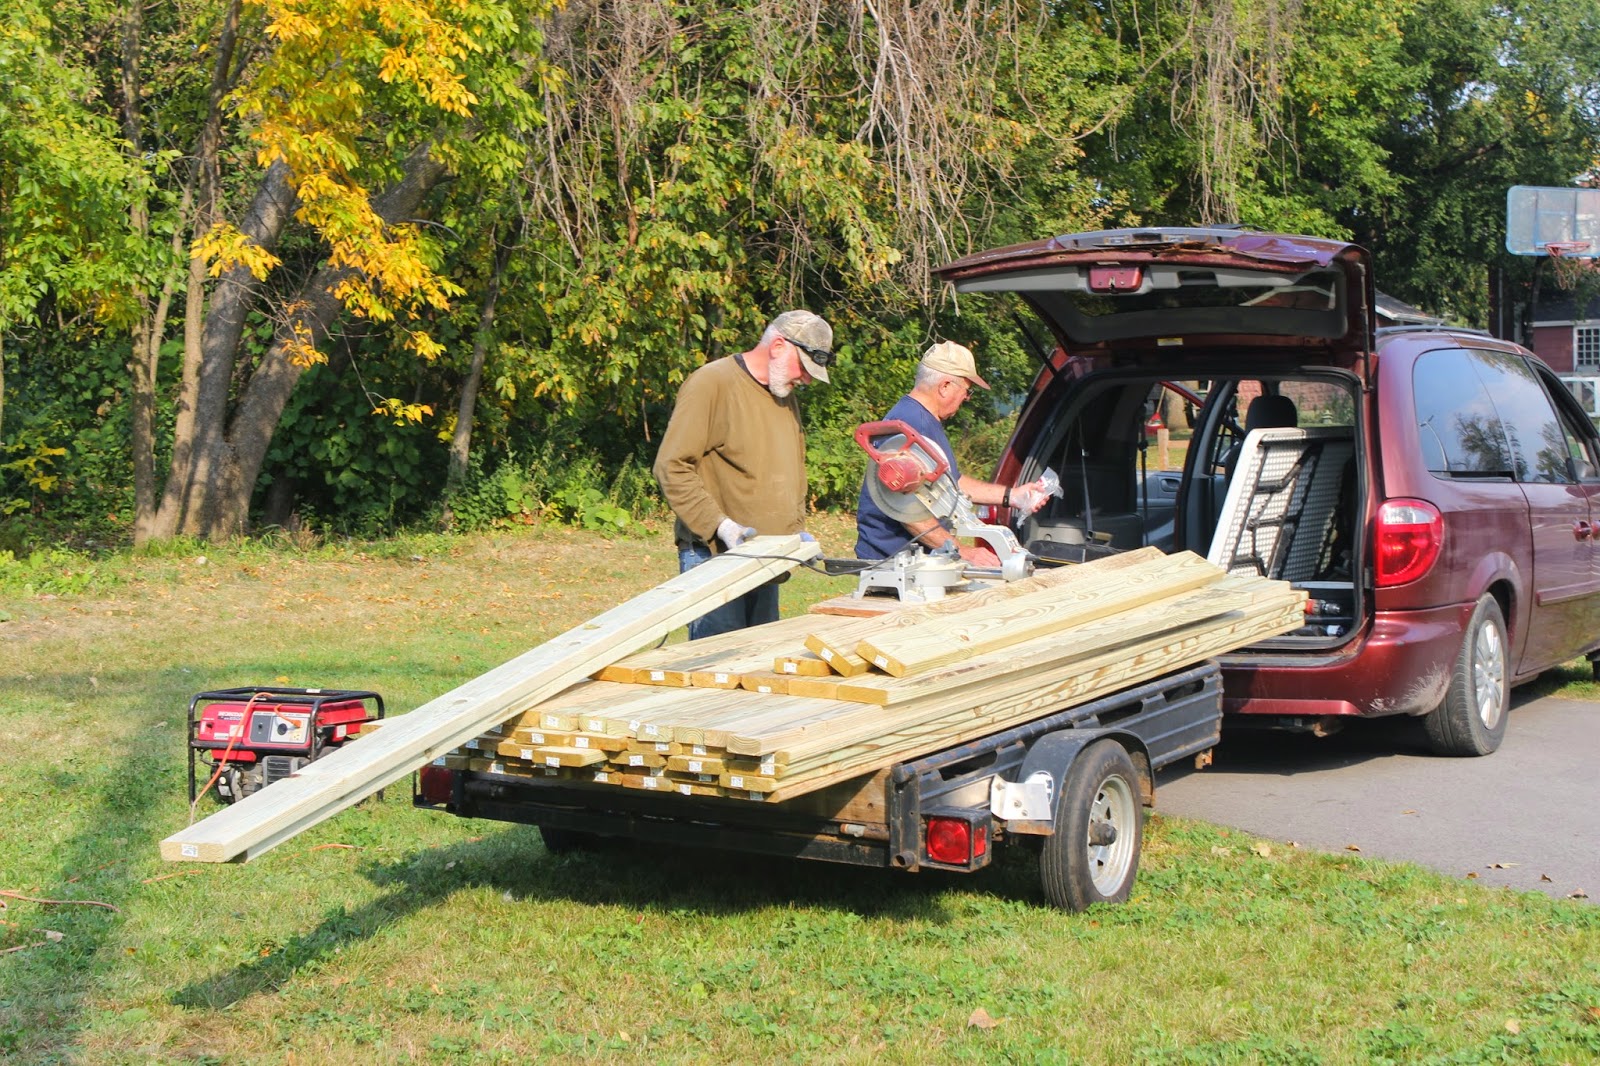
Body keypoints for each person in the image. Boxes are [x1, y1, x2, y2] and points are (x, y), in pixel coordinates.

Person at [654, 310, 834, 639]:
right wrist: (721, 526)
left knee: (758, 670)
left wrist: (796, 534)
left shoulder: (783, 395)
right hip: (715, 560)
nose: (806, 380)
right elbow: (672, 465)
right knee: (716, 671)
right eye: (804, 368)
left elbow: (784, 472)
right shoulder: (713, 383)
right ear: (778, 346)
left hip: (766, 561)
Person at [855, 341, 1049, 567]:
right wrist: (965, 553)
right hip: (892, 563)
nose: (966, 398)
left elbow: (950, 482)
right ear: (945, 386)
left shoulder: (922, 420)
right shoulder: (911, 424)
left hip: (915, 560)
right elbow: (909, 511)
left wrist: (1012, 496)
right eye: (967, 391)